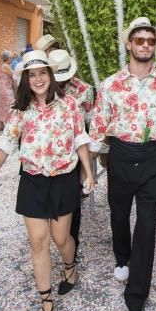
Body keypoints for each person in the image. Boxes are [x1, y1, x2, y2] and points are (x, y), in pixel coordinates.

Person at [0, 50, 95, 311]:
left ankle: (70, 265)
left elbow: (80, 139)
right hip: (32, 181)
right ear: (26, 80)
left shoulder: (69, 105)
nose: (38, 79)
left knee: (61, 239)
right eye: (32, 75)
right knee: (38, 242)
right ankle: (47, 303)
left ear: (51, 75)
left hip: (63, 179)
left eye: (42, 73)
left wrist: (89, 172)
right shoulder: (20, 111)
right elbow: (6, 143)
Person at [89, 17, 156, 311]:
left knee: (146, 228)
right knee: (118, 214)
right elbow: (98, 129)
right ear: (128, 44)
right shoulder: (109, 85)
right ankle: (121, 255)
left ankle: (136, 299)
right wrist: (85, 167)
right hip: (119, 155)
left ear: (154, 46)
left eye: (150, 40)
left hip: (151, 159)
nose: (145, 45)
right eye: (139, 40)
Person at [48, 49, 94, 260]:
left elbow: (91, 123)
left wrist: (88, 165)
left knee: (72, 200)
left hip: (75, 149)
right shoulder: (41, 86)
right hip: (47, 151)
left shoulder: (84, 90)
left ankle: (71, 245)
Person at [0, 51, 16, 131]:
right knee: (8, 105)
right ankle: (7, 123)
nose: (12, 59)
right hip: (6, 88)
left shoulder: (0, 65)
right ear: (8, 58)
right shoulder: (6, 66)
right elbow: (13, 76)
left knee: (1, 106)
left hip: (0, 88)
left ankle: (1, 125)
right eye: (11, 58)